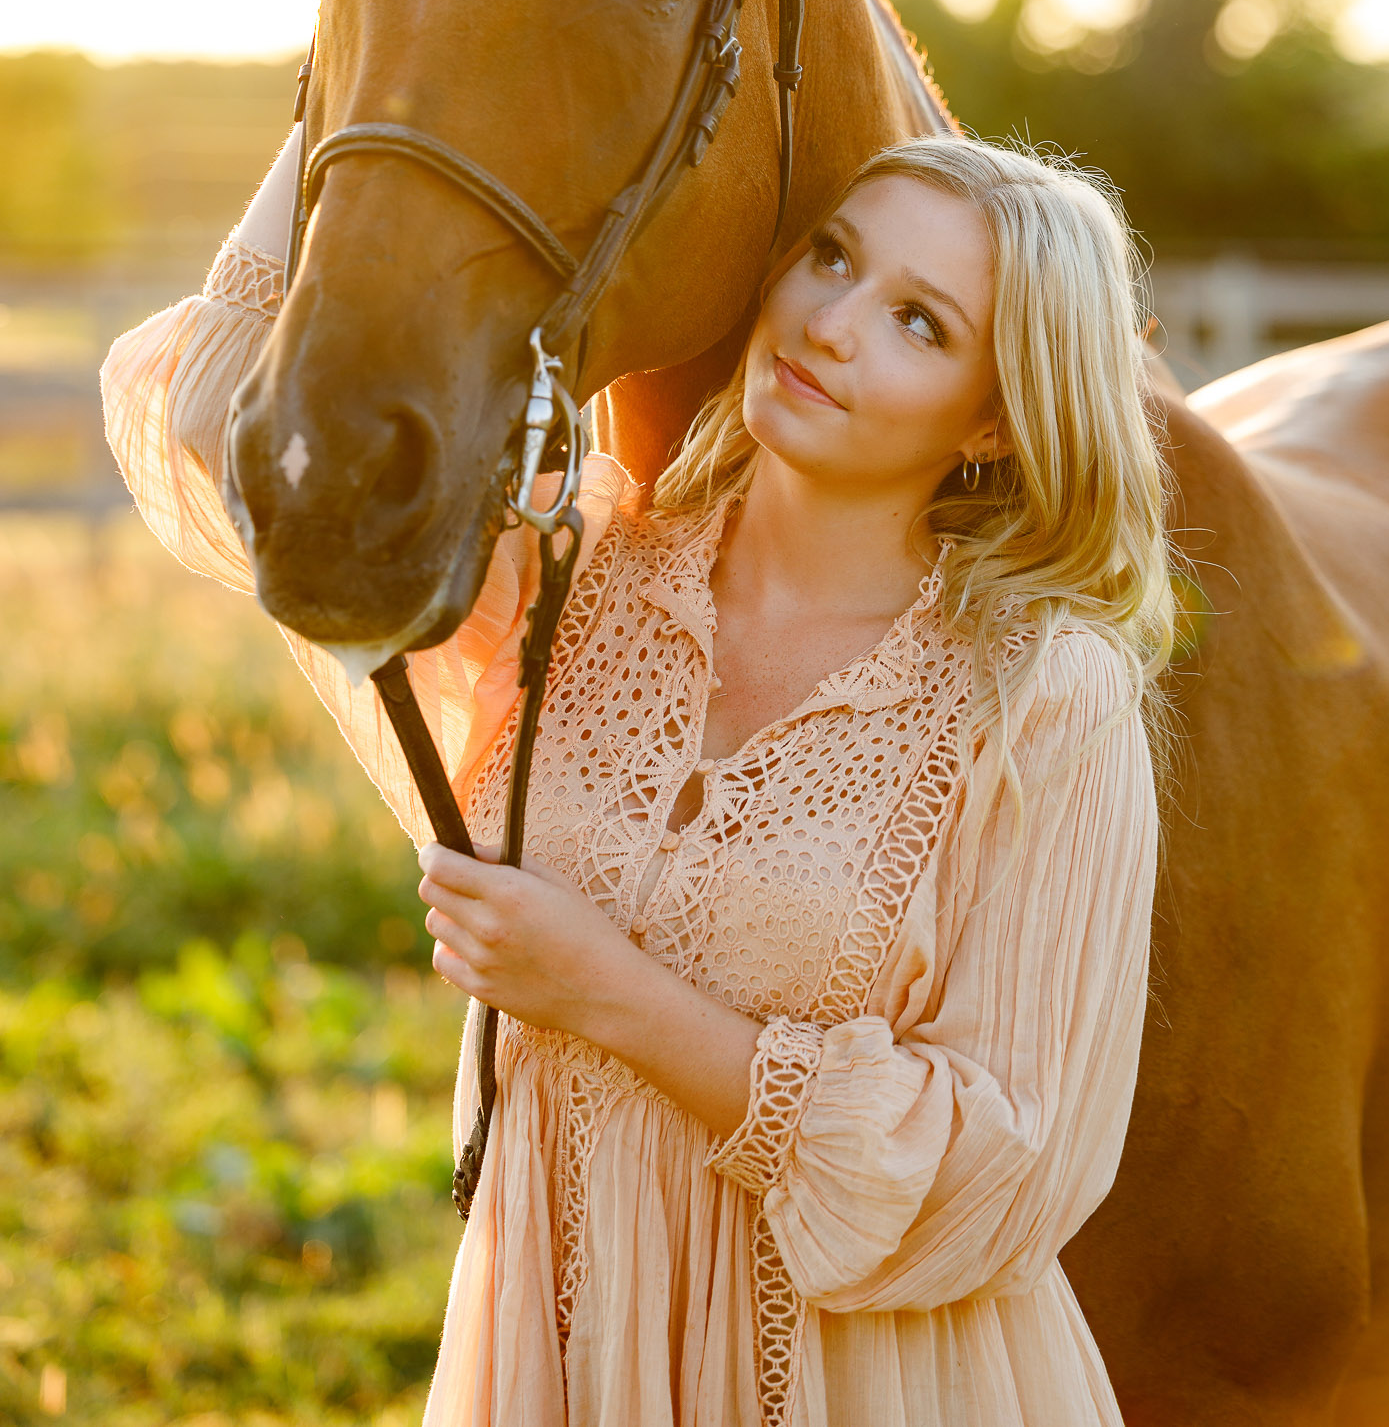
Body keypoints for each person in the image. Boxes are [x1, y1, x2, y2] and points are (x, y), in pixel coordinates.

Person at [102, 130, 1171, 1427]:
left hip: (866, 1385)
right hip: (555, 1355)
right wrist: (355, 81)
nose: (829, 322)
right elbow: (228, 426)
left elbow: (1003, 1162)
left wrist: (601, 991)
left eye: (916, 320)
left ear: (995, 417)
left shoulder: (1041, 690)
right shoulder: (576, 572)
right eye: (829, 257)